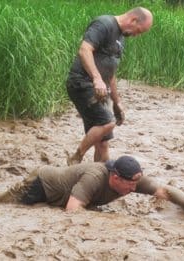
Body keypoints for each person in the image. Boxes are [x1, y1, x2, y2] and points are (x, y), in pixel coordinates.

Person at [66, 7, 153, 164]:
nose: (136, 35)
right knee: (108, 122)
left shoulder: (121, 38)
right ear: (133, 20)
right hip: (82, 83)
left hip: (100, 89)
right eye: (139, 31)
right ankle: (76, 157)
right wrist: (97, 78)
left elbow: (111, 74)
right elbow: (84, 50)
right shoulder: (104, 24)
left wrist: (116, 102)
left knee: (103, 143)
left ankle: (100, 180)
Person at [0, 156, 184, 215]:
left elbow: (166, 191)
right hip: (41, 184)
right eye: (130, 186)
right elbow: (73, 210)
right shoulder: (95, 176)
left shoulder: (131, 180)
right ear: (115, 177)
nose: (134, 190)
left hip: (57, 190)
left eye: (136, 184)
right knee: (0, 203)